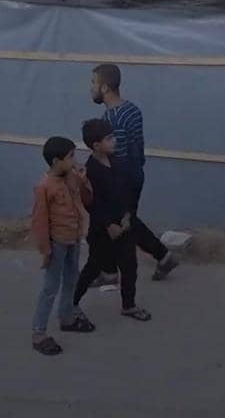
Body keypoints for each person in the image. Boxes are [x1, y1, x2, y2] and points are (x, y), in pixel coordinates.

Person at [90, 64, 179, 282]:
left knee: (113, 223)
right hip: (136, 173)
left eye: (93, 83)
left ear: (105, 88)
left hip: (122, 180)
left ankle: (112, 273)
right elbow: (137, 148)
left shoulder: (112, 120)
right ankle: (162, 257)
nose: (90, 88)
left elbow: (117, 158)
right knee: (127, 223)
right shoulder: (132, 109)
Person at [74, 119, 151, 324]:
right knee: (92, 269)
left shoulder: (117, 162)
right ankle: (71, 303)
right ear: (96, 145)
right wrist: (109, 224)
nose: (114, 141)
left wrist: (127, 216)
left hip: (124, 227)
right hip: (103, 232)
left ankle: (129, 305)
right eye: (109, 138)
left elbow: (127, 193)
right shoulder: (90, 171)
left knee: (130, 267)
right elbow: (92, 204)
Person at [30, 137, 94, 356]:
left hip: (73, 240)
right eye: (71, 157)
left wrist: (84, 181)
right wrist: (46, 251)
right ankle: (39, 333)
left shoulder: (72, 178)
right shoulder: (44, 187)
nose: (75, 160)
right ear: (57, 161)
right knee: (50, 288)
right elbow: (39, 221)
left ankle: (66, 318)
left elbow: (85, 201)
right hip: (56, 245)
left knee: (71, 280)